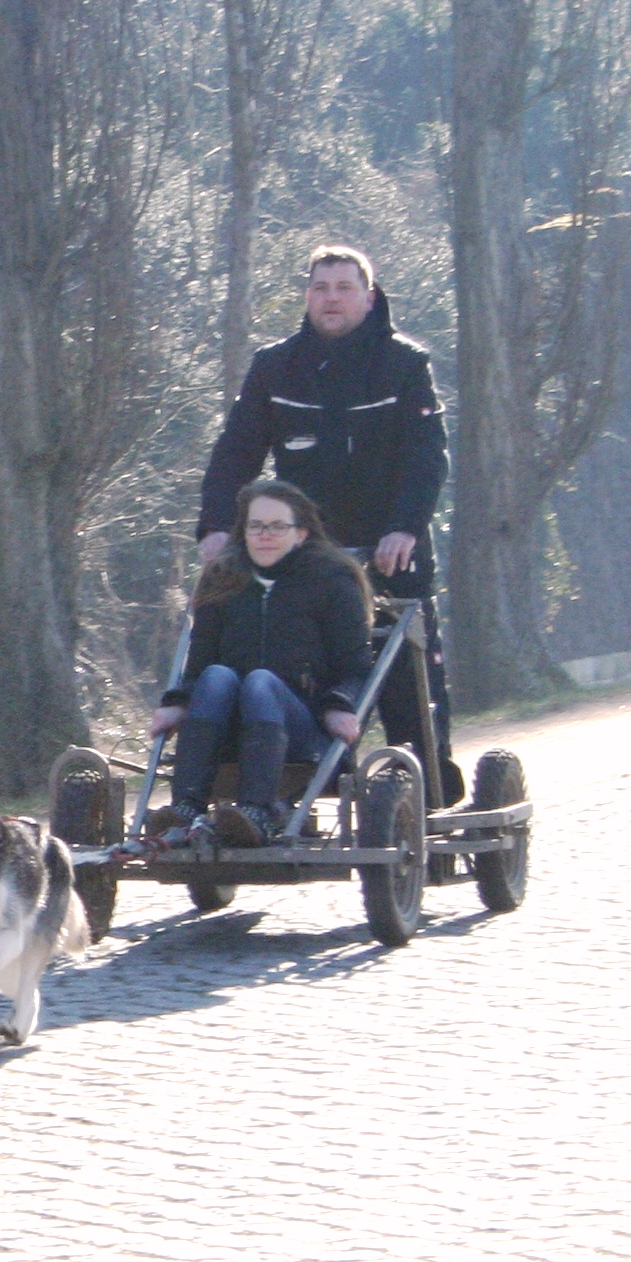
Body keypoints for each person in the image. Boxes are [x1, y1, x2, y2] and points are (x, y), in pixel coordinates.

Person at [197, 245, 457, 797]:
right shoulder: (275, 366)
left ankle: (428, 792)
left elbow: (426, 457)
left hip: (389, 551)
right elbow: (236, 451)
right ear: (307, 296)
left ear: (369, 297)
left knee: (406, 683)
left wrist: (404, 528)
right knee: (292, 665)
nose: (331, 299)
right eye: (320, 288)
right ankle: (288, 784)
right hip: (305, 556)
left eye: (344, 288)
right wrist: (217, 526)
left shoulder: (405, 364)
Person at [150, 480, 374, 848]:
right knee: (217, 675)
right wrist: (177, 703)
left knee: (260, 682)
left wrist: (339, 706)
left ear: (301, 533)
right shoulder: (222, 581)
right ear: (243, 531)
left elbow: (356, 668)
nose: (265, 536)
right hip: (227, 728)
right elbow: (199, 665)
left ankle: (257, 811)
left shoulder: (332, 581)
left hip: (303, 730)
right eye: (256, 526)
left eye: (277, 527)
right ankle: (186, 807)